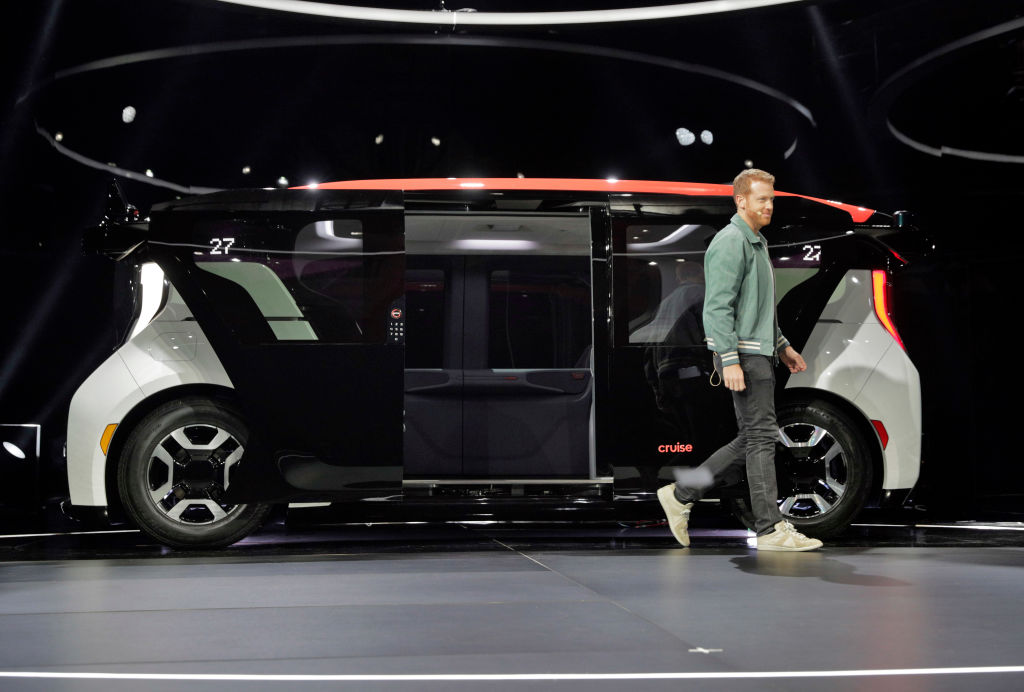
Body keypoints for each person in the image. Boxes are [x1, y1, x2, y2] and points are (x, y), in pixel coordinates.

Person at [656, 169, 823, 552]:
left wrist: (782, 346)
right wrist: (728, 359)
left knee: (753, 437)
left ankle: (681, 494)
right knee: (761, 437)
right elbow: (717, 308)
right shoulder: (731, 242)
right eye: (762, 199)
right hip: (744, 356)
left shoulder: (756, 242)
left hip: (756, 353)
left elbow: (757, 308)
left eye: (772, 199)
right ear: (741, 200)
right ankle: (770, 529)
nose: (769, 206)